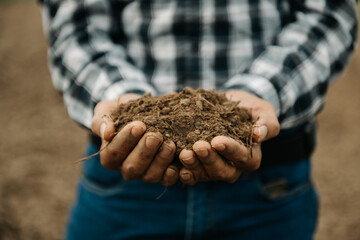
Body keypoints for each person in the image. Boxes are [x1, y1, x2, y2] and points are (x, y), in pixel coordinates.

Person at [40, 0, 357, 239]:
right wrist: (124, 104)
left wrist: (253, 97)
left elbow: (328, 15)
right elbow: (75, 26)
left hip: (269, 181)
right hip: (126, 178)